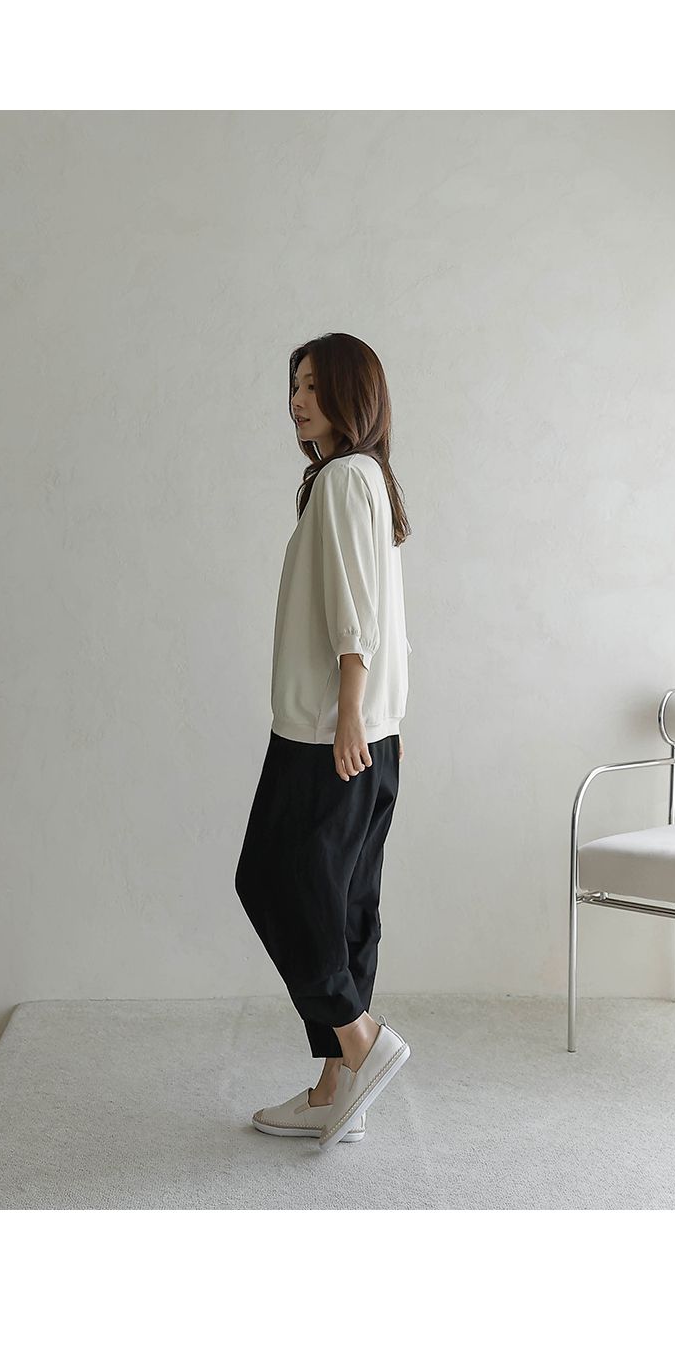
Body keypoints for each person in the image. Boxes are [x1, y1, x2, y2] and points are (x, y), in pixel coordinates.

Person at [235, 333, 413, 1148]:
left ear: (351, 393)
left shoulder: (343, 479)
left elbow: (354, 614)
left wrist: (346, 713)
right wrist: (371, 717)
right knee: (344, 903)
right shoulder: (364, 476)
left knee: (275, 882)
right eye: (294, 386)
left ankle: (360, 1040)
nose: (297, 400)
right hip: (371, 729)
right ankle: (337, 1089)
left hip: (326, 732)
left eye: (313, 386)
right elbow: (375, 611)